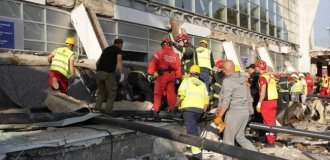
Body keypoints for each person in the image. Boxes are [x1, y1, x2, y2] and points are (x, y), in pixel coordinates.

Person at [217, 60, 257, 160]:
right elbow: (248, 96)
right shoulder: (242, 79)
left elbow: (226, 101)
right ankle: (257, 157)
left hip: (234, 113)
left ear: (224, 69)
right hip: (245, 112)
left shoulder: (227, 81)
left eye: (222, 69)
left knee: (228, 140)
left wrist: (219, 116)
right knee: (240, 137)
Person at [176, 65, 209, 160]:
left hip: (188, 109)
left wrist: (174, 107)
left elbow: (181, 95)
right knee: (192, 128)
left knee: (192, 131)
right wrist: (204, 110)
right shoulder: (202, 84)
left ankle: (197, 155)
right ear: (199, 74)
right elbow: (206, 99)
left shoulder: (186, 81)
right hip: (199, 110)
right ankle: (189, 146)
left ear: (190, 73)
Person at [147, 37, 182, 113]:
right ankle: (172, 108)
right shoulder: (175, 55)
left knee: (158, 91)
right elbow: (178, 67)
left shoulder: (159, 53)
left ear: (163, 44)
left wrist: (150, 73)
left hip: (162, 75)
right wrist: (178, 77)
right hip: (172, 75)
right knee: (171, 93)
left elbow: (153, 63)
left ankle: (155, 108)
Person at [95, 38, 124, 113]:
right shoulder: (118, 50)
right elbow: (119, 61)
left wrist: (99, 71)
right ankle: (108, 111)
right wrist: (122, 74)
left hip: (99, 72)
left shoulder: (106, 50)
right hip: (108, 73)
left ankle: (97, 109)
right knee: (112, 93)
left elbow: (97, 62)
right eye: (122, 45)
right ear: (120, 44)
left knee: (101, 92)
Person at [255, 59, 278, 147]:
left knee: (267, 122)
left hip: (266, 102)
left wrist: (259, 103)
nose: (255, 68)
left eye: (256, 67)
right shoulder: (270, 76)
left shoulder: (262, 77)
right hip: (274, 101)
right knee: (271, 121)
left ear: (259, 67)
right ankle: (271, 138)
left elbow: (263, 91)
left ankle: (270, 141)